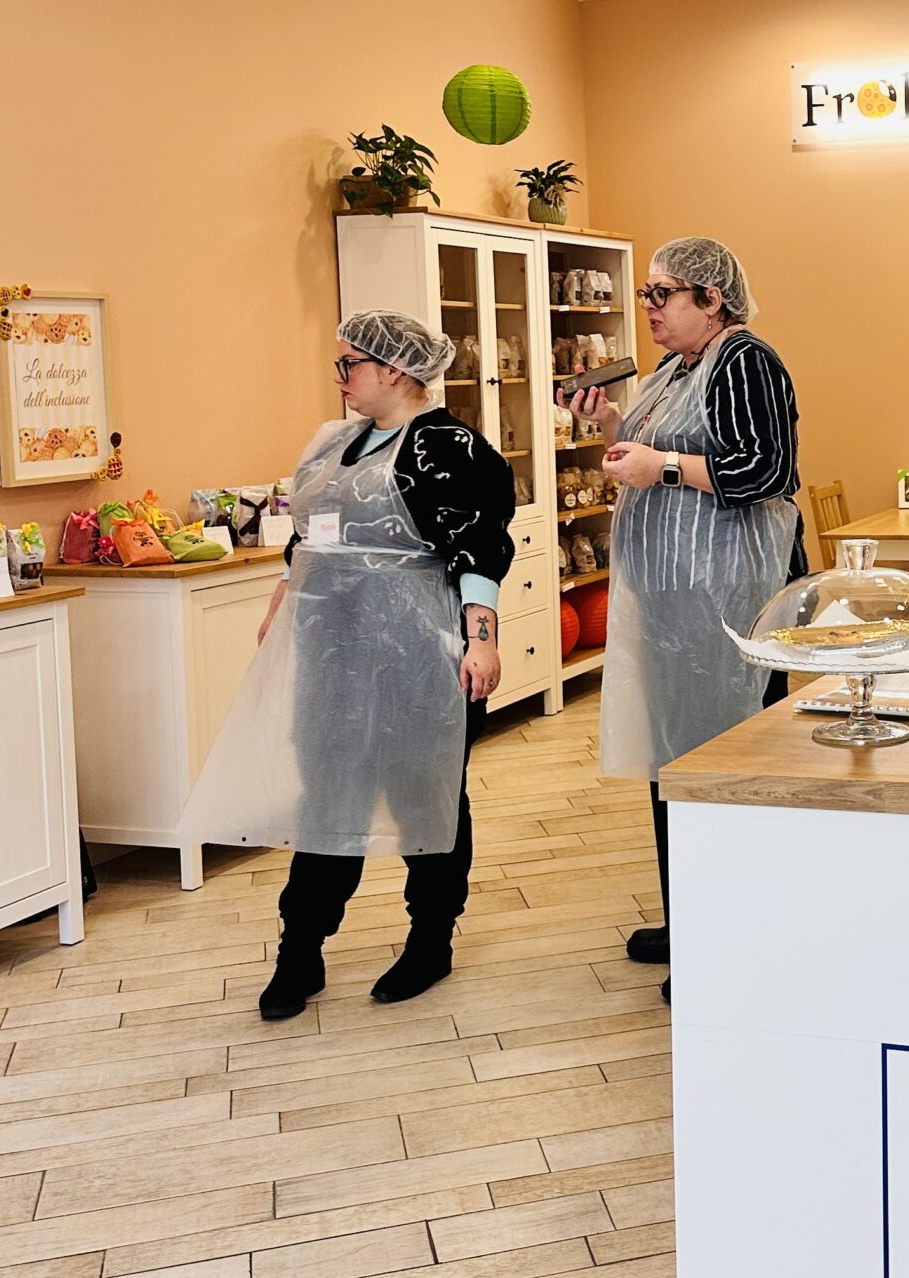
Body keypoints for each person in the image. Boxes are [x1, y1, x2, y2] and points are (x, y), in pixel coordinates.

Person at [186, 309, 514, 1021]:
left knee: (426, 798)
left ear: (392, 370)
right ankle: (300, 950)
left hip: (421, 655)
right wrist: (281, 601)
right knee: (328, 794)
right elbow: (307, 538)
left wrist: (482, 639)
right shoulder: (334, 443)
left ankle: (430, 939)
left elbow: (481, 548)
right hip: (333, 651)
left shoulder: (448, 446)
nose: (338, 378)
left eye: (348, 364)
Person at [565, 237, 804, 1000]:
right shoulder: (675, 368)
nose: (648, 307)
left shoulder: (745, 361)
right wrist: (611, 427)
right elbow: (651, 454)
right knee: (675, 762)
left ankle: (732, 937)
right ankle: (690, 918)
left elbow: (766, 468)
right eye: (646, 293)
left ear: (712, 299)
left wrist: (661, 466)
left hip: (727, 601)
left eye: (662, 293)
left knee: (722, 767)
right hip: (674, 601)